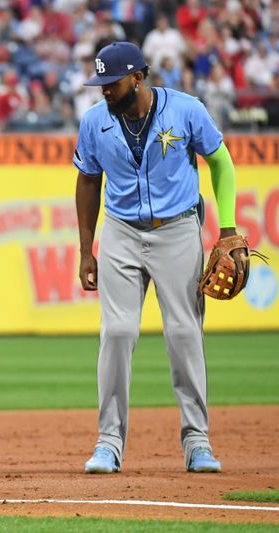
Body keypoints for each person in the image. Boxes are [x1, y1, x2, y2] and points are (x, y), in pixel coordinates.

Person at [73, 42, 244, 474]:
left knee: (184, 334)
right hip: (121, 232)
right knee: (116, 332)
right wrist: (85, 249)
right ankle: (108, 443)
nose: (104, 92)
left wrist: (227, 228)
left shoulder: (186, 110)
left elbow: (221, 163)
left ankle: (197, 441)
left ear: (137, 78)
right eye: (101, 84)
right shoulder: (95, 121)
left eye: (111, 84)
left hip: (178, 229)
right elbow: (88, 181)